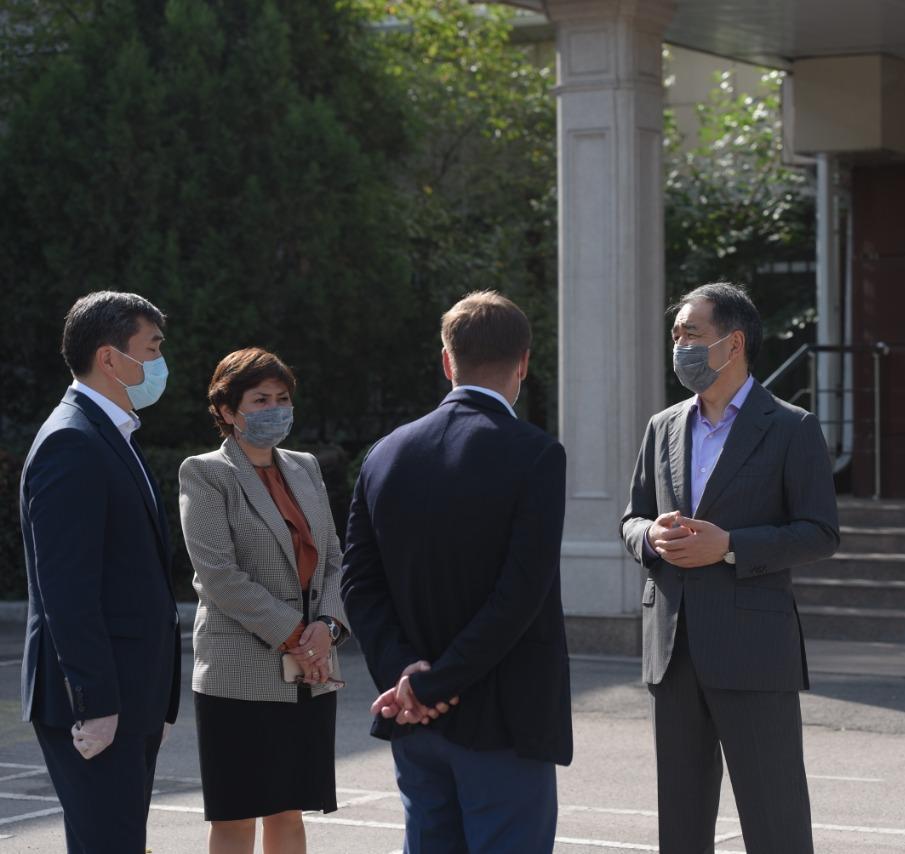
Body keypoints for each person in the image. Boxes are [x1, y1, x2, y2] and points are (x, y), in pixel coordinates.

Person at [341, 291, 570, 854]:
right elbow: (520, 595)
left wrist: (406, 674)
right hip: (503, 721)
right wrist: (435, 683)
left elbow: (358, 584)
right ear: (523, 363)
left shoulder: (386, 453)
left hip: (413, 718)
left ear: (447, 361)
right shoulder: (536, 454)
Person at [619, 282, 839, 854]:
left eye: (692, 333)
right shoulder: (663, 426)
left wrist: (731, 546)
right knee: (681, 824)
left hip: (753, 650)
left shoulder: (791, 426)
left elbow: (820, 532)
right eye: (676, 335)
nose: (680, 346)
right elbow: (631, 518)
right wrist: (651, 536)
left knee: (775, 819)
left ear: (733, 343)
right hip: (672, 648)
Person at [19, 291, 182, 852]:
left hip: (130, 695)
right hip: (97, 702)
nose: (160, 362)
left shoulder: (109, 432)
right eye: (152, 348)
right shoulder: (73, 440)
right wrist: (96, 704)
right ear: (110, 358)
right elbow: (66, 589)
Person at [178, 348, 350, 854]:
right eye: (260, 400)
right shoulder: (205, 473)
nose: (275, 409)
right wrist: (298, 636)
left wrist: (327, 628)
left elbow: (336, 559)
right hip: (240, 674)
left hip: (309, 672)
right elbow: (219, 576)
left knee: (290, 811)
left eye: (282, 398)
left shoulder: (305, 467)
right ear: (227, 410)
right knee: (236, 817)